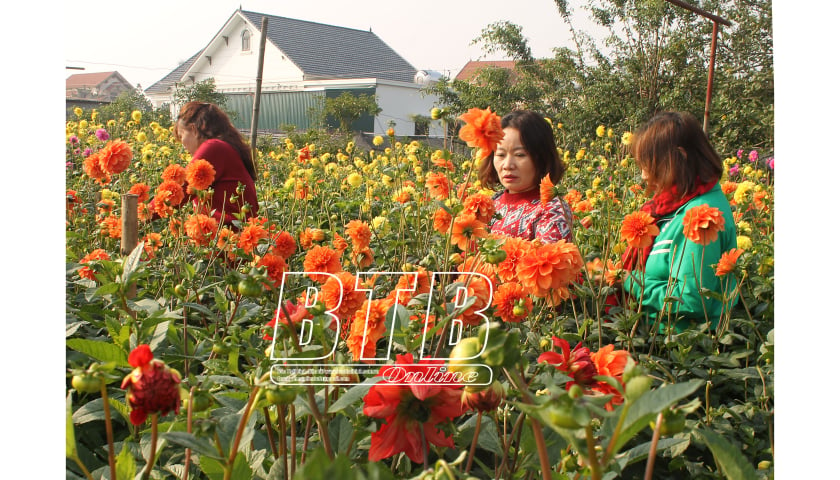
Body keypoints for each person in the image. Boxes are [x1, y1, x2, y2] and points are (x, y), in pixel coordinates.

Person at [620, 111, 737, 333]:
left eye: (650, 165)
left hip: (682, 347)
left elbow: (692, 299)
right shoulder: (677, 206)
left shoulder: (702, 215)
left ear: (679, 158)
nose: (644, 176)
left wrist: (630, 281)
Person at [477, 110, 573, 243]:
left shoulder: (552, 209)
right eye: (500, 155)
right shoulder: (492, 203)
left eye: (520, 155)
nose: (508, 165)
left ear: (542, 158)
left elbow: (551, 260)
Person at [173, 101, 259, 225]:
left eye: (181, 136)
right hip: (232, 235)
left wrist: (141, 213)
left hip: (229, 238)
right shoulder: (226, 147)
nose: (183, 144)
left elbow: (179, 191)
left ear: (193, 129)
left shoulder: (214, 148)